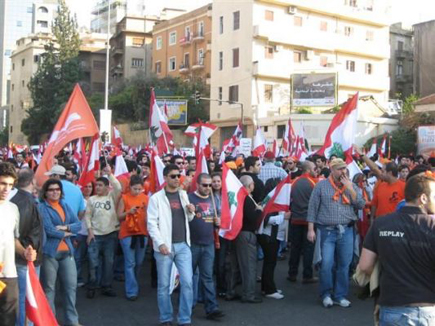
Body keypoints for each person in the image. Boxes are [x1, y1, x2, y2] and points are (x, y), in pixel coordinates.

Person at [359, 174, 435, 325]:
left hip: (391, 305)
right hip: (426, 308)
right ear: (423, 198)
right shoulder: (432, 227)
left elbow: (365, 265)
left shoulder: (381, 223)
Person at [307, 158, 365, 308]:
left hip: (346, 230)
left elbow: (361, 205)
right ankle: (326, 294)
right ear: (332, 170)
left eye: (344, 168)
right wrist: (310, 229)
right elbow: (312, 208)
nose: (343, 171)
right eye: (339, 169)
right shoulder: (321, 186)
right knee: (326, 264)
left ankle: (340, 295)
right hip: (327, 230)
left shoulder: (351, 185)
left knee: (344, 264)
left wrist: (350, 188)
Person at [147, 164, 195, 326]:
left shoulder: (183, 195)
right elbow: (151, 224)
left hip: (183, 245)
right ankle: (166, 318)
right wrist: (160, 243)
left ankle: (184, 319)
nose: (177, 179)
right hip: (165, 247)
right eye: (173, 176)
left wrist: (191, 211)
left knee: (187, 282)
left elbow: (189, 219)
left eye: (178, 176)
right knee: (163, 285)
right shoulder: (156, 198)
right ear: (165, 178)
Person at [39, 179, 81, 326]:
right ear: (45, 193)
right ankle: (50, 322)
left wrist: (64, 228)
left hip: (67, 252)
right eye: (51, 189)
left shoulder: (64, 205)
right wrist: (67, 232)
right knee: (49, 290)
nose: (55, 192)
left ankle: (72, 321)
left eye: (57, 189)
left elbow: (78, 225)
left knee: (71, 288)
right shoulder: (42, 208)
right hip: (50, 253)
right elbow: (49, 230)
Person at [0, 163, 36, 326]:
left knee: (8, 321)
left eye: (9, 184)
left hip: (10, 274)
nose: (6, 189)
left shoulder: (13, 208)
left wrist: (24, 252)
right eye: (2, 183)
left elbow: (13, 239)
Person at [10, 168, 44, 326]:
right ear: (33, 182)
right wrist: (27, 251)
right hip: (25, 259)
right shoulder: (26, 202)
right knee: (26, 300)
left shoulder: (17, 199)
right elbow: (18, 233)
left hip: (23, 257)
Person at [188, 173, 224, 320]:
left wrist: (218, 222)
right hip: (192, 244)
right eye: (205, 185)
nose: (208, 187)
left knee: (208, 277)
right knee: (188, 277)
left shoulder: (213, 199)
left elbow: (220, 219)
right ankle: (187, 307)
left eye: (210, 185)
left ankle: (212, 308)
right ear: (197, 184)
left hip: (208, 243)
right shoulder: (189, 198)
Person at [85, 165, 122, 299]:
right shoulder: (92, 200)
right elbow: (88, 216)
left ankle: (106, 286)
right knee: (93, 262)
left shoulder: (112, 197)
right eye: (97, 185)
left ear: (107, 187)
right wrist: (90, 232)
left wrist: (110, 174)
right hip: (95, 235)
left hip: (110, 234)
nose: (98, 187)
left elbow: (118, 187)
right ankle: (92, 286)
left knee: (109, 262)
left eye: (101, 185)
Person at [117, 175, 149, 301]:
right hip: (127, 233)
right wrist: (128, 212)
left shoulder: (146, 198)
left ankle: (134, 282)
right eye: (135, 189)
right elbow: (119, 216)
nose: (137, 191)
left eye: (139, 189)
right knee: (130, 262)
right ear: (130, 187)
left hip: (142, 232)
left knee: (139, 262)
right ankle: (131, 290)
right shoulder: (124, 198)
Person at [258, 177, 290, 300]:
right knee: (269, 263)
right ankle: (269, 290)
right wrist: (283, 218)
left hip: (273, 236)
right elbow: (265, 220)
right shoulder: (269, 202)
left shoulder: (272, 200)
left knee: (270, 262)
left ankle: (268, 287)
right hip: (268, 236)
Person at [288, 161, 318, 284]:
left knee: (295, 248)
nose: (316, 170)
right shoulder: (314, 184)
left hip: (295, 220)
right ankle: (307, 275)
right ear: (308, 170)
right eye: (314, 168)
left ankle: (292, 274)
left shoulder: (294, 182)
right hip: (309, 222)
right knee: (308, 249)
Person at [235, 175, 263, 303]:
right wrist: (259, 210)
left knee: (245, 264)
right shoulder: (246, 198)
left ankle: (246, 292)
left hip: (243, 234)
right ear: (249, 185)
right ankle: (249, 294)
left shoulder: (243, 197)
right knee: (249, 265)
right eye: (253, 184)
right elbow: (251, 217)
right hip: (246, 234)